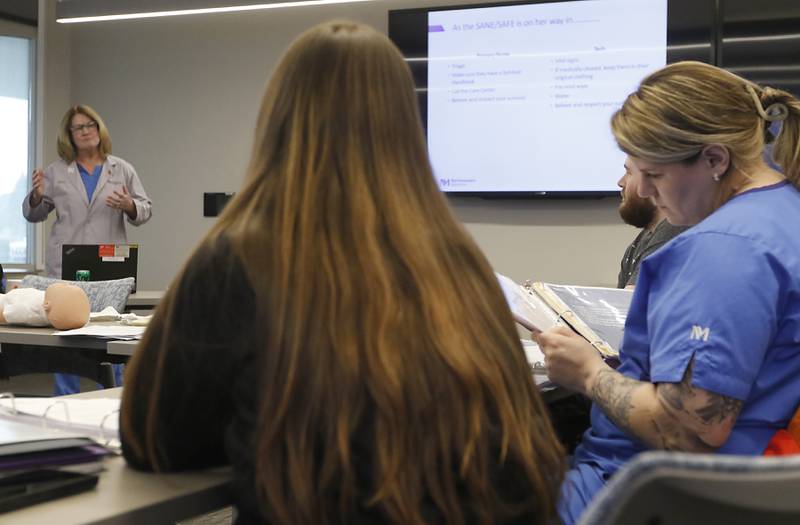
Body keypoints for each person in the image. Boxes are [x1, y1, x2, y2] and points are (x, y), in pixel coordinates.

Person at [120, 21, 565, 525]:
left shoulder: (240, 258)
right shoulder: (463, 266)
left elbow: (155, 440)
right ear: (406, 127)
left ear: (279, 120)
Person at [534, 61, 800, 525]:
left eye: (653, 175)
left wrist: (587, 373)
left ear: (715, 160)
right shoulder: (784, 209)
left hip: (642, 489)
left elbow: (691, 431)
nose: (639, 190)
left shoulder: (723, 250)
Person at [22, 105, 152, 395]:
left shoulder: (122, 169)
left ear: (99, 129)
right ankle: (64, 399)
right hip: (68, 262)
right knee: (66, 337)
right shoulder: (56, 172)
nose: (85, 132)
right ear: (69, 136)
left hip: (109, 263)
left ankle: (113, 394)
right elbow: (33, 215)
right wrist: (37, 196)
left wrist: (129, 205)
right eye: (78, 128)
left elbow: (144, 210)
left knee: (109, 333)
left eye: (90, 125)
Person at [616, 159, 687, 288]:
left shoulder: (674, 234)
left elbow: (629, 303)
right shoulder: (641, 240)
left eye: (629, 172)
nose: (620, 183)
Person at [0, 282, 90, 330]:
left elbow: (9, 314)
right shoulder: (45, 298)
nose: (65, 284)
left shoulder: (33, 311)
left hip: (5, 303)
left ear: (47, 305)